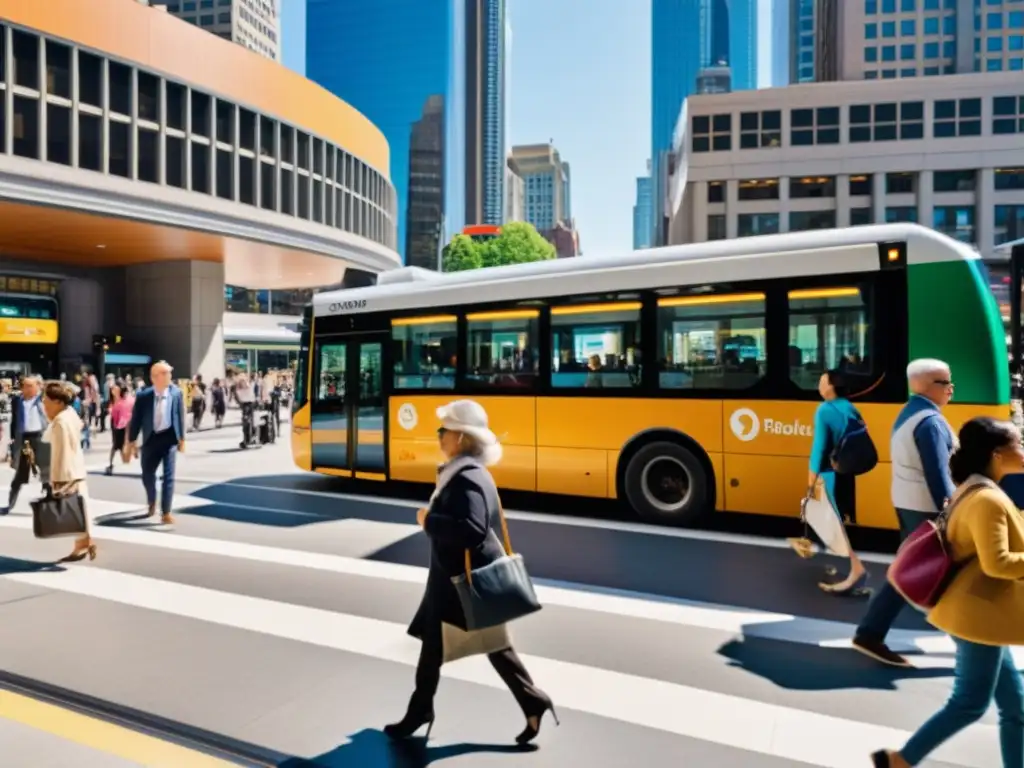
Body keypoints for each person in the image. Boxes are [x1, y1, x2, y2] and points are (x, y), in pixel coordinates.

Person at [385, 400, 556, 745]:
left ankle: (422, 712)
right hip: (456, 582)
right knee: (454, 647)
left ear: (461, 437)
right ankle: (424, 710)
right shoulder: (467, 472)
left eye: (443, 430)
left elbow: (472, 529)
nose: (438, 436)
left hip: (463, 584)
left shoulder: (466, 478)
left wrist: (427, 521)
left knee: (479, 647)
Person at [871, 417, 1024, 768]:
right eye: (1018, 443)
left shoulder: (973, 488)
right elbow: (998, 563)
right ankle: (900, 761)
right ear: (998, 455)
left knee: (1016, 709)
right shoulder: (987, 499)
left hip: (985, 612)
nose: (1023, 449)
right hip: (978, 616)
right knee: (969, 702)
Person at [853, 358, 956, 667]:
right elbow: (937, 473)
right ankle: (870, 633)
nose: (951, 389)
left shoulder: (909, 413)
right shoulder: (930, 421)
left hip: (907, 500)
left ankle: (873, 631)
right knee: (914, 570)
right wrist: (951, 510)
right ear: (927, 386)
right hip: (926, 505)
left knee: (914, 567)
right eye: (946, 382)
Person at [789, 369, 869, 595]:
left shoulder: (824, 410)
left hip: (829, 474)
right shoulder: (850, 407)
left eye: (822, 382)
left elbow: (819, 447)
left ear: (832, 387)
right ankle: (844, 565)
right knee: (836, 521)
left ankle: (855, 571)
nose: (819, 386)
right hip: (846, 473)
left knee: (833, 523)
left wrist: (811, 478)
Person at [124, 361, 186, 525]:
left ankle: (166, 512)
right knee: (147, 474)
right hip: (150, 438)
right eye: (166, 374)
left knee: (169, 476)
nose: (170, 377)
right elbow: (136, 419)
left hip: (169, 438)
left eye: (169, 373)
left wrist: (182, 439)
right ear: (155, 377)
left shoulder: (176, 393)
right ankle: (152, 500)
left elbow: (180, 416)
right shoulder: (144, 396)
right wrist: (131, 441)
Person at [42, 381, 96, 562]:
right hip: (76, 469)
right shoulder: (69, 414)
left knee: (74, 510)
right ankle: (84, 542)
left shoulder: (60, 422)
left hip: (68, 472)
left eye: (46, 401)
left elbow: (61, 453)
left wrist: (58, 479)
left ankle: (84, 543)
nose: (44, 405)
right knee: (78, 508)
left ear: (57, 401)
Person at [2, 375, 50, 515]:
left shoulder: (42, 399)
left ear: (37, 387)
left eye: (31, 386)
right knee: (20, 474)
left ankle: (50, 503)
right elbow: (14, 422)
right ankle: (10, 504)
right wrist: (12, 441)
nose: (28, 389)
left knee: (46, 471)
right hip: (24, 438)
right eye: (26, 386)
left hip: (40, 437)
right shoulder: (17, 401)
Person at [106, 380, 134, 475]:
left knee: (121, 444)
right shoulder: (117, 400)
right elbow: (113, 410)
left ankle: (120, 462)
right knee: (116, 444)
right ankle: (111, 464)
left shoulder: (126, 399)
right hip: (117, 424)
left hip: (125, 423)